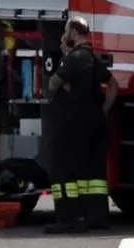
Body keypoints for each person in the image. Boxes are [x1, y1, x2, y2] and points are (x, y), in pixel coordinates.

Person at [46, 16, 118, 233]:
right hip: (94, 121)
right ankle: (96, 217)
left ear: (74, 34)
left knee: (63, 170)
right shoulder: (93, 58)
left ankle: (68, 219)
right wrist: (104, 109)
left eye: (66, 31)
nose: (64, 35)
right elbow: (112, 84)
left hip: (72, 124)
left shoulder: (73, 58)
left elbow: (52, 83)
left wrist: (64, 56)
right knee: (93, 173)